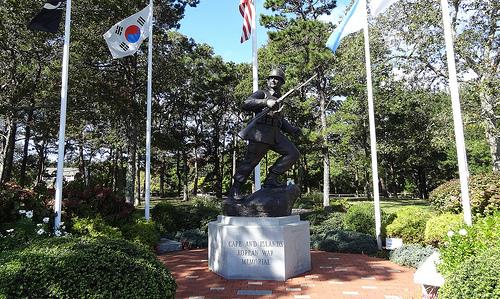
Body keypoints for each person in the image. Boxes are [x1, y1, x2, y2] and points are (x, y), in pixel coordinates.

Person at [228, 68, 301, 200]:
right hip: (261, 133)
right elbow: (245, 103)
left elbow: (280, 119)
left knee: (293, 154)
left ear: (282, 82)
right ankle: (235, 189)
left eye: (277, 78)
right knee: (250, 162)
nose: (273, 80)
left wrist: (292, 129)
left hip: (275, 133)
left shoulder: (280, 99)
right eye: (271, 78)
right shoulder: (262, 93)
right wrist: (265, 102)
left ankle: (271, 178)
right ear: (267, 81)